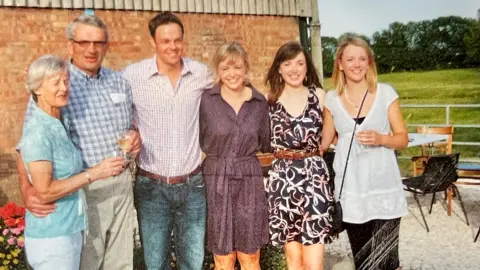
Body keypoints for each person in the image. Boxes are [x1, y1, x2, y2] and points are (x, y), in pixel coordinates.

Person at [17, 15, 140, 270]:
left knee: (121, 263)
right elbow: (26, 147)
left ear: (106, 46)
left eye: (98, 43)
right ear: (71, 45)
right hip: (85, 190)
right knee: (87, 263)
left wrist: (135, 136)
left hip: (122, 187)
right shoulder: (56, 85)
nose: (91, 49)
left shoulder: (119, 82)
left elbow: (130, 127)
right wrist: (28, 190)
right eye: (84, 42)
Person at [122, 12, 214, 269]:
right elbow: (120, 115)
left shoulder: (201, 74)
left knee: (193, 262)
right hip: (151, 186)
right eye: (165, 41)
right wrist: (130, 133)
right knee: (155, 261)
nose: (173, 47)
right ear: (153, 42)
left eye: (177, 40)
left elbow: (225, 99)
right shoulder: (132, 77)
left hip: (193, 184)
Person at [321, 36, 408, 270]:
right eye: (350, 59)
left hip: (383, 189)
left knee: (388, 262)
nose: (356, 64)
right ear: (340, 63)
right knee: (363, 262)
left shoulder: (385, 93)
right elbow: (324, 141)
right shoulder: (331, 99)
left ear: (369, 62)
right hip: (351, 191)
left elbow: (403, 138)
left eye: (362, 59)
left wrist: (382, 138)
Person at [199, 41, 270, 270]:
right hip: (216, 177)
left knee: (250, 257)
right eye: (225, 68)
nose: (232, 74)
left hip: (249, 179)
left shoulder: (260, 103)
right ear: (218, 71)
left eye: (237, 67)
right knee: (223, 258)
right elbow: (197, 140)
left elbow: (267, 142)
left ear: (246, 67)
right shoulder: (206, 101)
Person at [265, 41, 334, 270]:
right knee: (294, 260)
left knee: (314, 262)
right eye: (287, 63)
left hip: (314, 180)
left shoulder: (320, 96)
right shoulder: (269, 100)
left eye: (300, 63)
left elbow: (329, 136)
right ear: (279, 68)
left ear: (307, 68)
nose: (294, 69)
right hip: (282, 182)